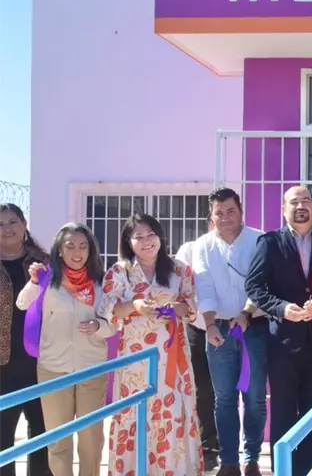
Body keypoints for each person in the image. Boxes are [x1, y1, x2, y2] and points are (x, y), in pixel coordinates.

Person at [245, 186, 312, 476]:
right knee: (284, 416)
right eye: (294, 202)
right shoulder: (270, 242)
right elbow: (254, 287)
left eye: (306, 201)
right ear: (283, 209)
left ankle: (310, 471)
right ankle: (284, 472)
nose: (301, 206)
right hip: (283, 344)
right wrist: (282, 308)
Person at [98, 213, 203, 475]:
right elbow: (108, 309)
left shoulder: (180, 269)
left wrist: (176, 307)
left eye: (151, 234)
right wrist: (134, 306)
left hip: (173, 358)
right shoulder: (119, 272)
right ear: (128, 242)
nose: (147, 241)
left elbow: (192, 308)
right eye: (139, 236)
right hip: (136, 361)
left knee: (173, 411)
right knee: (136, 413)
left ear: (160, 236)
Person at [16, 224, 112, 476]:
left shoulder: (102, 284)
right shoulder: (47, 279)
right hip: (53, 368)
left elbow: (114, 323)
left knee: (91, 438)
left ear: (91, 250)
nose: (77, 252)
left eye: (83, 246)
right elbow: (23, 303)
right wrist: (34, 282)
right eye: (70, 246)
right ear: (59, 250)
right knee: (58, 440)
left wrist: (98, 326)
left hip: (91, 367)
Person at [193, 188, 267, 476]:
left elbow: (262, 283)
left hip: (255, 327)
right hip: (219, 331)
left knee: (255, 397)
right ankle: (229, 462)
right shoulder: (203, 245)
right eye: (219, 213)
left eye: (230, 211)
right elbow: (204, 288)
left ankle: (251, 459)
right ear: (211, 217)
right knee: (223, 398)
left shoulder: (259, 239)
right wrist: (210, 323)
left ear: (241, 211)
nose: (225, 218)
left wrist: (246, 313)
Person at [0, 203, 50, 476]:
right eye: (0, 224)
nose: (7, 229)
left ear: (24, 225)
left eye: (12, 221)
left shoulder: (44, 262)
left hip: (41, 359)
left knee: (43, 429)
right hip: (3, 364)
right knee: (2, 433)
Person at [175, 218, 221, 473]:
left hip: (230, 327)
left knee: (230, 391)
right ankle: (207, 447)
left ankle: (229, 445)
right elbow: (178, 282)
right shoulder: (190, 249)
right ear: (209, 223)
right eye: (216, 219)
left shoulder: (233, 249)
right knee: (202, 389)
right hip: (197, 328)